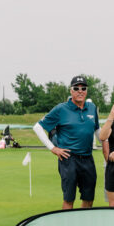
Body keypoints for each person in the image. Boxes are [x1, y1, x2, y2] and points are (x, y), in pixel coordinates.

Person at [33, 75, 100, 209]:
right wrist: (53, 148)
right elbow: (38, 127)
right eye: (76, 88)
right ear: (71, 91)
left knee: (89, 198)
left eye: (83, 88)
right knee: (69, 199)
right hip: (69, 159)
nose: (80, 91)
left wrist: (106, 146)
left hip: (87, 158)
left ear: (86, 90)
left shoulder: (92, 108)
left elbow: (97, 130)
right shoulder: (61, 109)